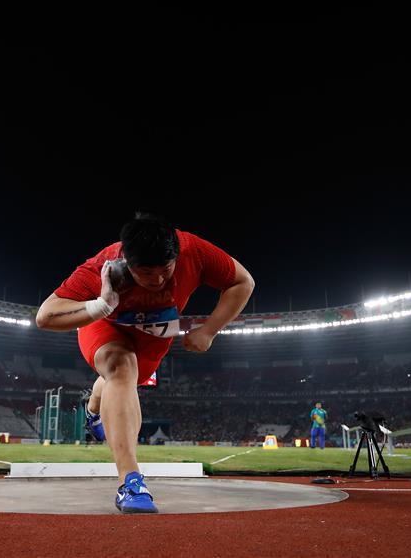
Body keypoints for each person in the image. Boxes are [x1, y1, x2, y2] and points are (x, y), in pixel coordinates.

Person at [36, 214, 254, 513]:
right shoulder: (103, 265)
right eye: (146, 273)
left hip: (154, 339)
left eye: (166, 270)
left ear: (176, 253)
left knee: (125, 379)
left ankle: (93, 409)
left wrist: (209, 330)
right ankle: (131, 482)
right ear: (126, 260)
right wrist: (100, 305)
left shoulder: (193, 250)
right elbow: (45, 316)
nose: (159, 280)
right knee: (121, 367)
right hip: (106, 327)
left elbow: (242, 281)